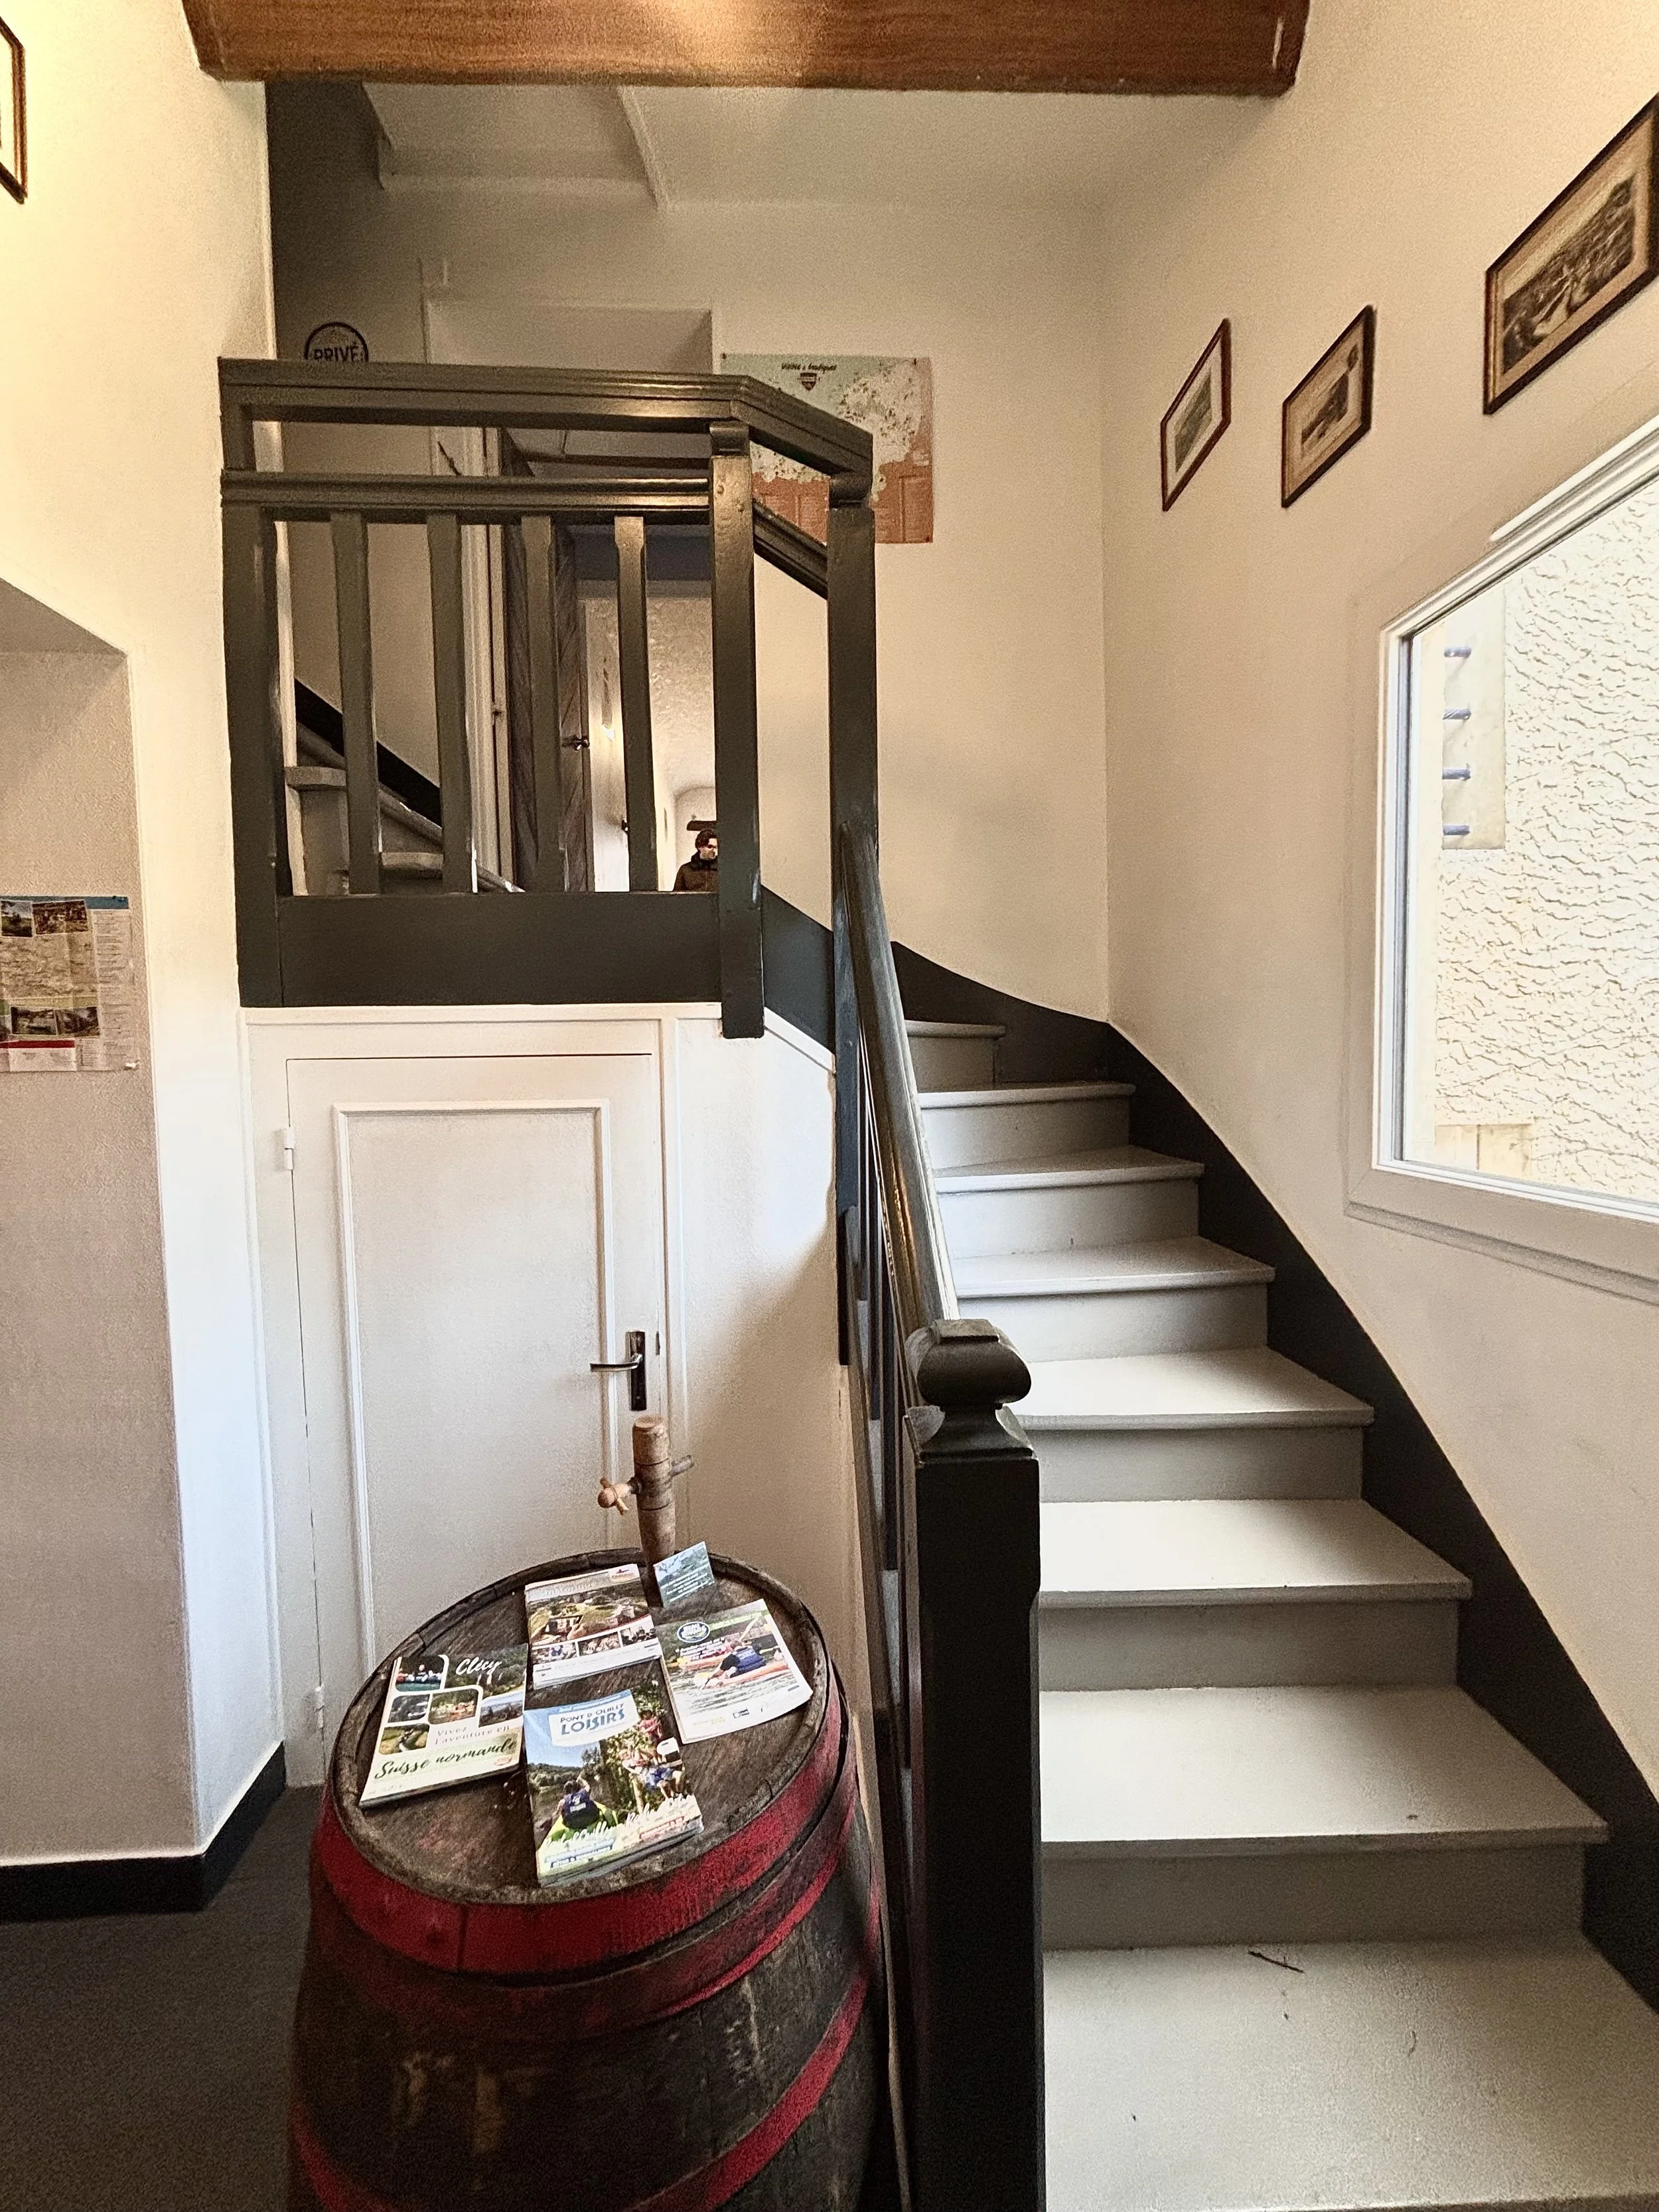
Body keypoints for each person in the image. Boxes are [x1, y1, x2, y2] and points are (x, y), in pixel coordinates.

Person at [673, 828, 719, 893]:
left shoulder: (722, 870)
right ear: (700, 847)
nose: (713, 850)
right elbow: (677, 896)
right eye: (710, 847)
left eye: (715, 847)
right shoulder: (685, 870)